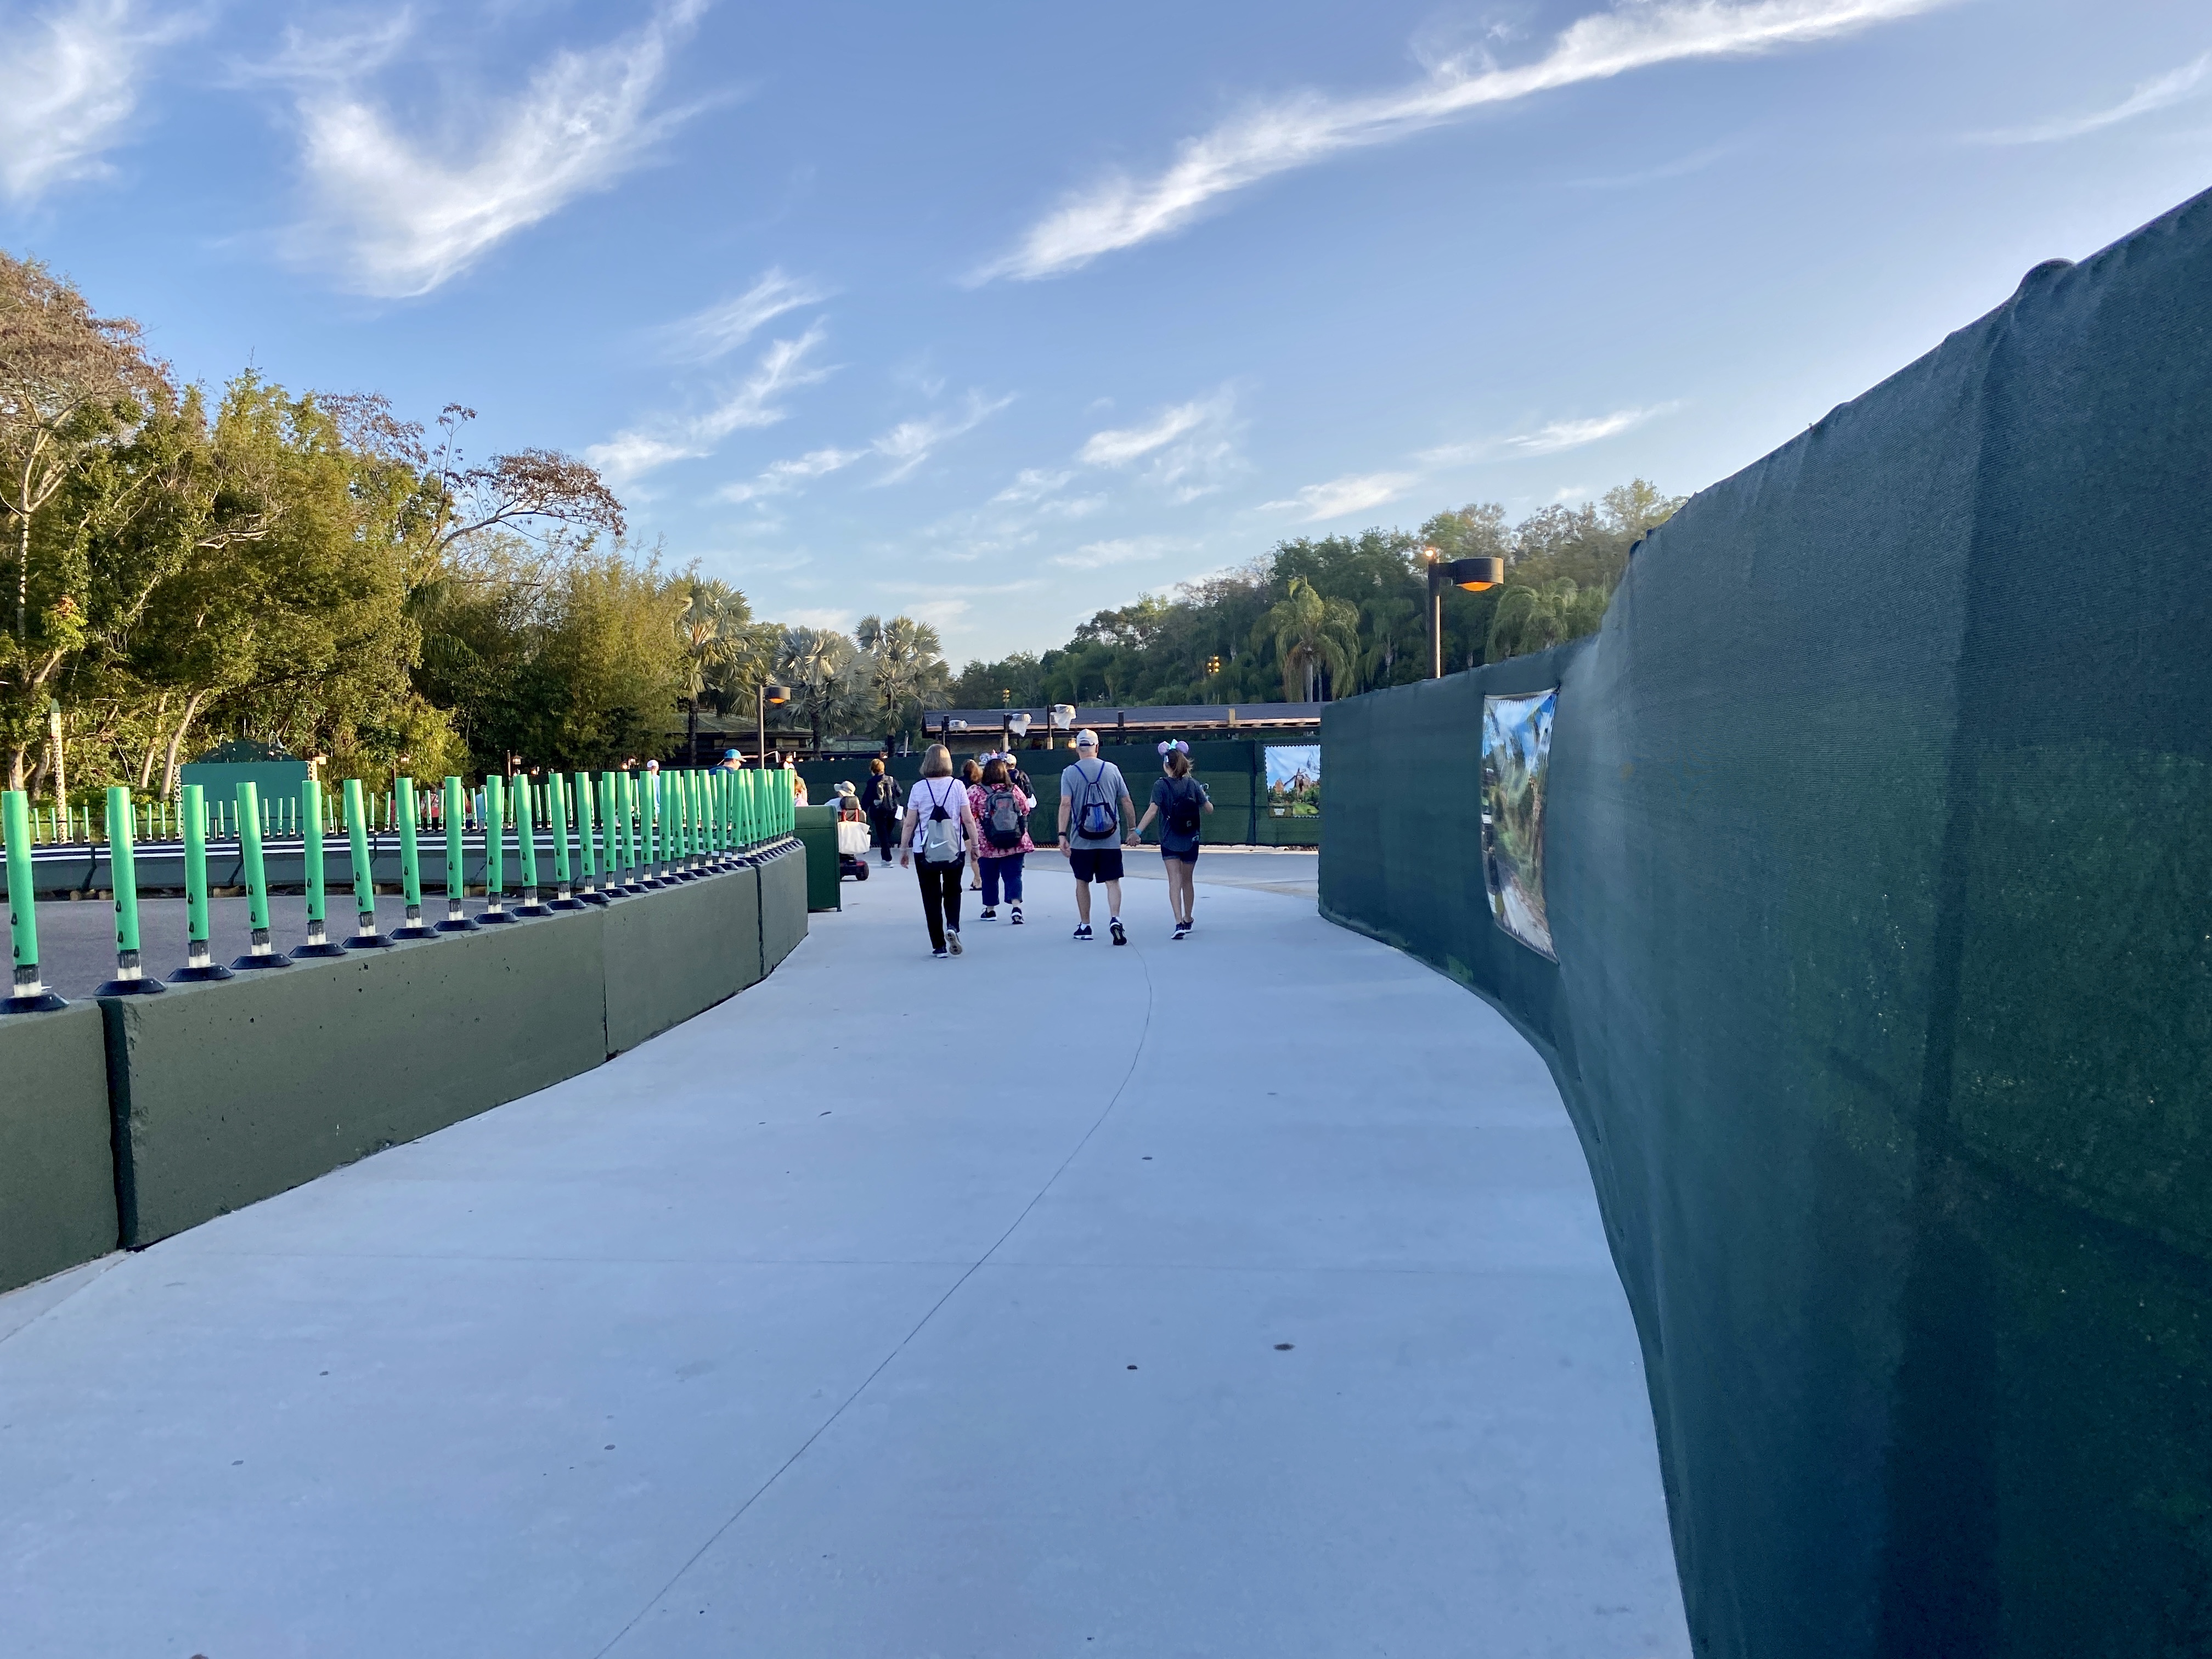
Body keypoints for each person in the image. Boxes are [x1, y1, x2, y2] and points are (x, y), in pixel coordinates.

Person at [1056, 728, 1137, 945]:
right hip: (1110, 839)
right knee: (1113, 882)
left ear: (1078, 749)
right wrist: (1132, 829)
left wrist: (1062, 835)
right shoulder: (1112, 769)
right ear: (1097, 747)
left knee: (1082, 881)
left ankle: (1085, 925)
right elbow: (1126, 801)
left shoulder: (1069, 773)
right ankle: (1115, 919)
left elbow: (1065, 804)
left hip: (1081, 840)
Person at [900, 744, 980, 958]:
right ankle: (952, 925)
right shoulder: (957, 786)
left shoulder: (918, 788)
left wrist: (904, 849)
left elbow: (910, 823)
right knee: (953, 890)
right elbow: (968, 820)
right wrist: (975, 846)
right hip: (954, 848)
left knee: (931, 896)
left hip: (924, 850)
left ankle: (939, 946)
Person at [1132, 740, 1213, 940]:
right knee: (1188, 880)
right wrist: (1205, 797)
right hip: (1191, 838)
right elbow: (1209, 809)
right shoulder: (1193, 784)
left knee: (1174, 880)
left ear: (1166, 765)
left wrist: (1137, 832)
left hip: (1169, 839)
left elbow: (1153, 811)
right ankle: (1188, 918)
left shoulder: (1160, 785)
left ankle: (1178, 922)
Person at [969, 755, 1034, 923]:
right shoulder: (1014, 790)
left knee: (989, 877)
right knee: (1014, 875)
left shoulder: (976, 791)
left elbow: (966, 813)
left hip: (987, 842)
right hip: (1014, 840)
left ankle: (990, 910)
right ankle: (1016, 908)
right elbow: (1026, 809)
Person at [859, 758, 901, 862]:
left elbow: (867, 798)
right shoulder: (891, 779)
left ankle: (887, 859)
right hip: (892, 811)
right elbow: (899, 793)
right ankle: (886, 857)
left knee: (883, 836)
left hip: (879, 812)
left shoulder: (872, 782)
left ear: (873, 769)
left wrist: (863, 810)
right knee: (887, 835)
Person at [959, 759, 986, 888]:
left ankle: (978, 880)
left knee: (973, 854)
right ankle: (980, 879)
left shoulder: (960, 783)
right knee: (979, 853)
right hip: (980, 822)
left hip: (965, 822)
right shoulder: (981, 784)